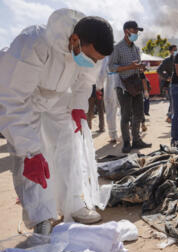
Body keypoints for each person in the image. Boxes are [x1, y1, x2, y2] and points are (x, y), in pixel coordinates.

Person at [0, 9, 114, 234]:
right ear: (74, 40)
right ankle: (41, 217)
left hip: (59, 100)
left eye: (97, 60)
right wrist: (30, 150)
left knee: (68, 151)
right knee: (31, 160)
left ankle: (74, 203)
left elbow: (84, 79)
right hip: (27, 100)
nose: (92, 62)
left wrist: (78, 107)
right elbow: (13, 99)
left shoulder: (89, 52)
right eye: (91, 57)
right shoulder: (32, 43)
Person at [109, 21, 152, 153]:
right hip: (122, 86)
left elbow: (137, 67)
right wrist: (130, 67)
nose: (136, 34)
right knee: (126, 115)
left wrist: (141, 67)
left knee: (138, 114)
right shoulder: (117, 48)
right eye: (134, 32)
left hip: (135, 84)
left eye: (137, 32)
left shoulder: (136, 49)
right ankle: (126, 143)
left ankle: (137, 141)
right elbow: (111, 67)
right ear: (126, 32)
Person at [96, 56, 120, 143]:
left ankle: (113, 135)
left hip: (110, 86)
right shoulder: (119, 53)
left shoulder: (105, 58)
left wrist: (98, 87)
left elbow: (101, 74)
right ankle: (126, 133)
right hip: (122, 85)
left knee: (111, 112)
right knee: (125, 110)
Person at [157, 45, 177, 123]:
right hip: (170, 84)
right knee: (173, 100)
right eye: (174, 50)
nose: (175, 51)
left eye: (176, 50)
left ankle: (170, 116)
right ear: (170, 51)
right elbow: (159, 70)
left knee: (174, 101)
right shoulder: (167, 60)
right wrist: (167, 77)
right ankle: (170, 116)